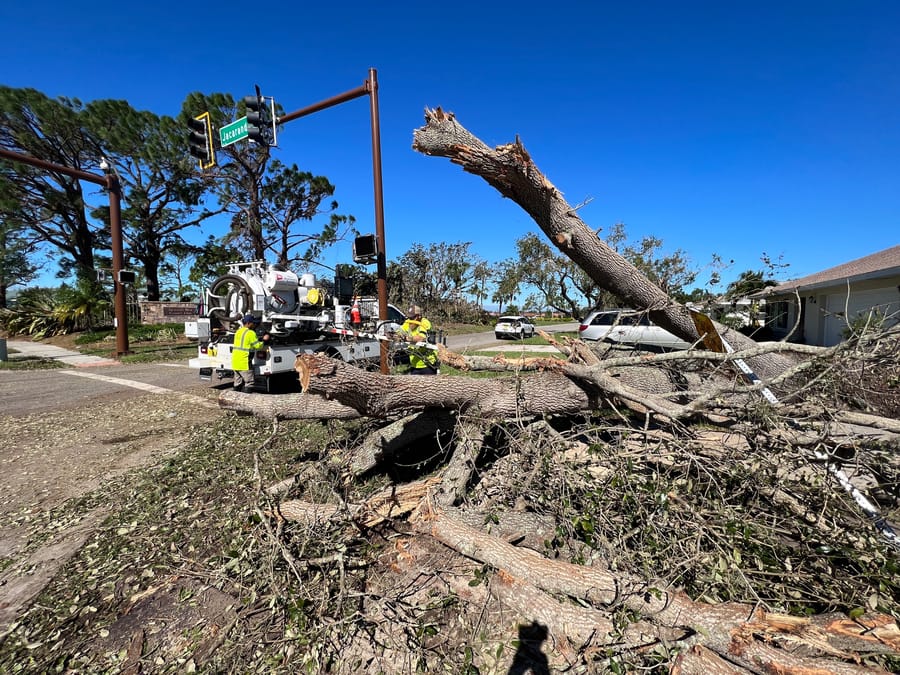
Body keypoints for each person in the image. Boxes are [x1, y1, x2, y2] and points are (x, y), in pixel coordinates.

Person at [232, 314, 269, 392]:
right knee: (249, 383)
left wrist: (258, 339)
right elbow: (258, 346)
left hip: (236, 362)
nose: (254, 324)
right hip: (245, 362)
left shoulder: (238, 331)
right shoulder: (251, 333)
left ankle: (233, 399)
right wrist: (264, 340)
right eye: (253, 323)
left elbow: (245, 343)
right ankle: (246, 401)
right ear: (248, 323)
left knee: (237, 383)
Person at [398, 305, 439, 375]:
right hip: (414, 364)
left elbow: (421, 338)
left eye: (412, 318)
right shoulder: (408, 323)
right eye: (409, 317)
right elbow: (399, 332)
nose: (410, 320)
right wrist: (394, 336)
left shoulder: (425, 322)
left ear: (419, 316)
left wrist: (406, 338)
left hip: (427, 363)